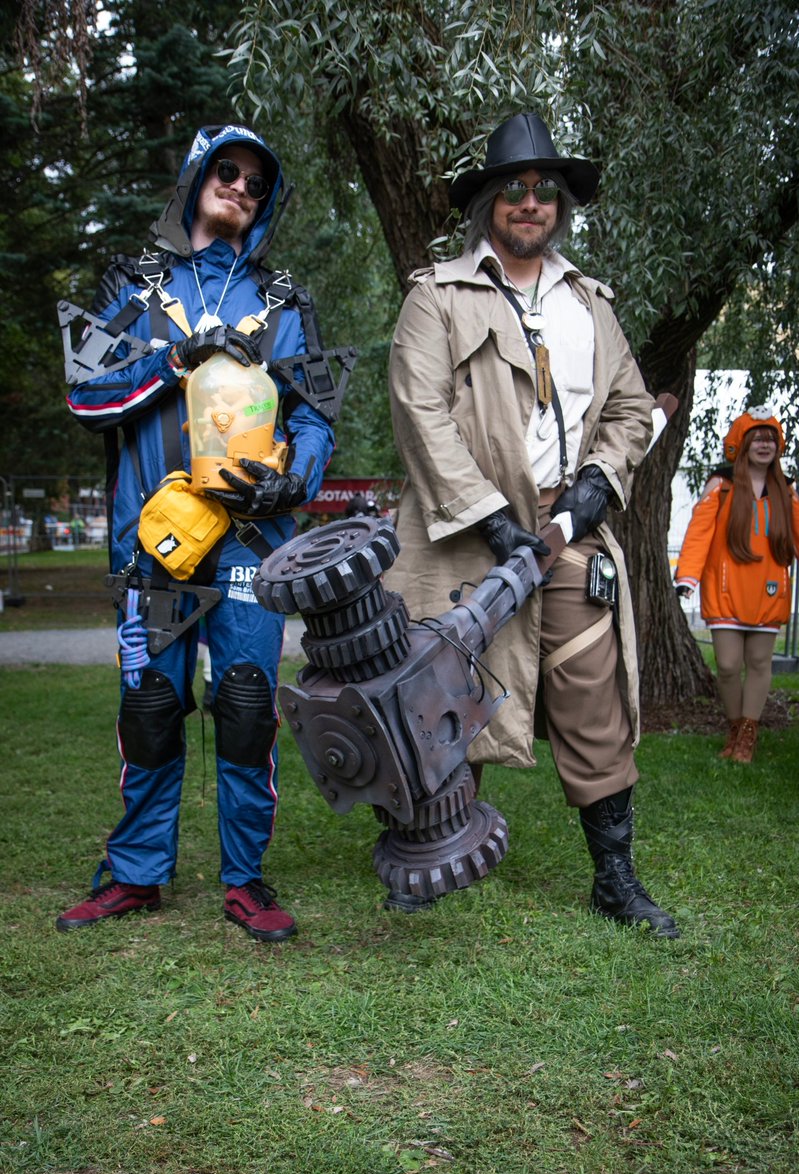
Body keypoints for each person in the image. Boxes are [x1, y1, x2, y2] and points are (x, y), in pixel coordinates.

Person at [386, 111, 679, 937]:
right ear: (487, 202)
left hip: (566, 531)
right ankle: (430, 861)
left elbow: (628, 406)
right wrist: (488, 519)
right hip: (458, 533)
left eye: (542, 189)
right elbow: (421, 415)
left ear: (559, 205)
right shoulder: (435, 297)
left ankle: (614, 879)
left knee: (593, 697)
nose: (528, 202)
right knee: (440, 693)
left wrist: (596, 485)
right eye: (511, 188)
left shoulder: (590, 304)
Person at [57, 123, 339, 941]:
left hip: (252, 544)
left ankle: (246, 879)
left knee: (247, 706)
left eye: (257, 183)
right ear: (195, 177)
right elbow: (84, 396)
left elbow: (315, 412)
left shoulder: (286, 301)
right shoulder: (133, 283)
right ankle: (136, 875)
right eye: (228, 171)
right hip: (153, 546)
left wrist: (300, 478)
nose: (241, 188)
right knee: (149, 703)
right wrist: (172, 360)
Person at [675, 407, 799, 762]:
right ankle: (734, 727)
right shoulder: (722, 486)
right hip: (726, 589)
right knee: (728, 664)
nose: (765, 444)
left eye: (770, 437)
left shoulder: (786, 491)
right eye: (757, 437)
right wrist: (688, 576)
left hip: (768, 590)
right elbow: (699, 533)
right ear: (741, 443)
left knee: (760, 662)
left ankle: (746, 736)